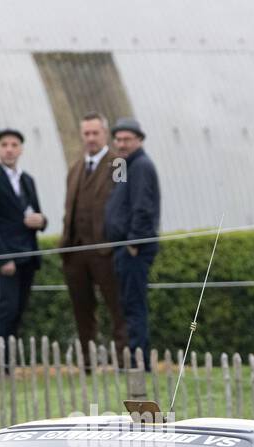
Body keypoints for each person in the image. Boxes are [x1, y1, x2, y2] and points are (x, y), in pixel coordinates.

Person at [0, 128, 47, 366]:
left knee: (18, 310)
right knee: (7, 308)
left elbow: (37, 213)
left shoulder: (28, 180)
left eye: (14, 144)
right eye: (4, 144)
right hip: (7, 256)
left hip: (28, 254)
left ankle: (9, 364)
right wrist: (2, 257)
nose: (9, 149)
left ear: (21, 149)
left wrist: (41, 221)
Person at [61, 112, 125, 368]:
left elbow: (123, 204)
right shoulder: (75, 168)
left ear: (105, 134)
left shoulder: (118, 164)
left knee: (117, 308)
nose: (90, 138)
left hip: (106, 250)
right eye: (86, 133)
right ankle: (87, 362)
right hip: (75, 251)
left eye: (95, 133)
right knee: (82, 309)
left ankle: (124, 362)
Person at [103, 117, 161, 367]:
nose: (122, 143)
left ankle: (139, 362)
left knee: (134, 305)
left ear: (139, 140)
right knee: (127, 303)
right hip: (123, 246)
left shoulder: (141, 166)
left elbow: (143, 207)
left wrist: (134, 242)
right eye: (118, 139)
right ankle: (134, 359)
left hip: (133, 249)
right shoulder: (125, 165)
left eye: (127, 139)